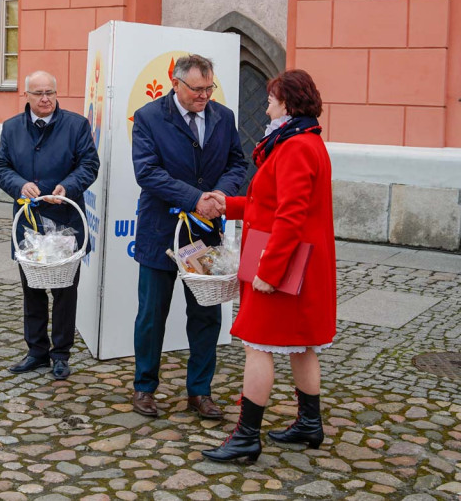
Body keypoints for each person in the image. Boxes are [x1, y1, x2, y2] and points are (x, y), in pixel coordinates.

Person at [202, 69, 336, 463]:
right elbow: (272, 204)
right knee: (302, 346)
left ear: (288, 103)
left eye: (271, 99)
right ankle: (310, 424)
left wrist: (269, 272)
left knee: (256, 346)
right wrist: (230, 204)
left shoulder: (295, 147)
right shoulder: (302, 141)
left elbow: (291, 216)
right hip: (302, 266)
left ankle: (246, 437)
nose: (266, 105)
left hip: (284, 267)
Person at [131, 54, 248, 419]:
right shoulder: (149, 117)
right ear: (176, 84)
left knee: (207, 316)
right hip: (161, 234)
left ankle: (200, 391)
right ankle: (144, 388)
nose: (204, 96)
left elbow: (237, 163)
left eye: (209, 88)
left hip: (205, 235)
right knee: (152, 314)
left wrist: (218, 197)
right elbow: (147, 172)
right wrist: (194, 199)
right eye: (197, 89)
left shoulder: (223, 117)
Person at [0, 71, 99, 380]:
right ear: (26, 95)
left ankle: (61, 354)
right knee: (33, 289)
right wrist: (19, 185)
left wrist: (68, 186)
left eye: (50, 92)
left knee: (65, 290)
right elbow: (0, 167)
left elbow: (89, 164)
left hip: (66, 220)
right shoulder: (12, 128)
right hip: (28, 222)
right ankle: (36, 351)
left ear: (56, 93)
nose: (45, 98)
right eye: (38, 93)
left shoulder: (76, 125)